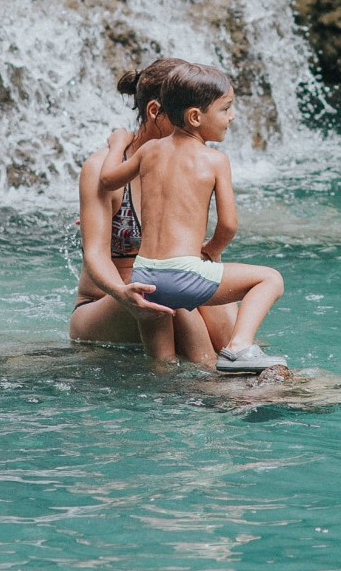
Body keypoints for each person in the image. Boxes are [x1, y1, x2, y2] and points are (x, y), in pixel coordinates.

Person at [98, 60, 286, 373]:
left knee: (162, 365)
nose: (232, 116)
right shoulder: (215, 160)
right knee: (270, 279)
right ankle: (239, 349)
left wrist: (117, 145)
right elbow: (228, 225)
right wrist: (210, 250)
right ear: (196, 116)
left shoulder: (148, 151)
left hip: (143, 277)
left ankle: (161, 407)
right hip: (184, 276)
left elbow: (107, 181)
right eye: (226, 109)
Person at [68, 59, 228, 364]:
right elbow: (95, 255)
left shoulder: (197, 161)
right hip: (107, 302)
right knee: (168, 295)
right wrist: (121, 291)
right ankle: (210, 389)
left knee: (229, 335)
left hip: (171, 286)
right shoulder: (102, 168)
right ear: (156, 111)